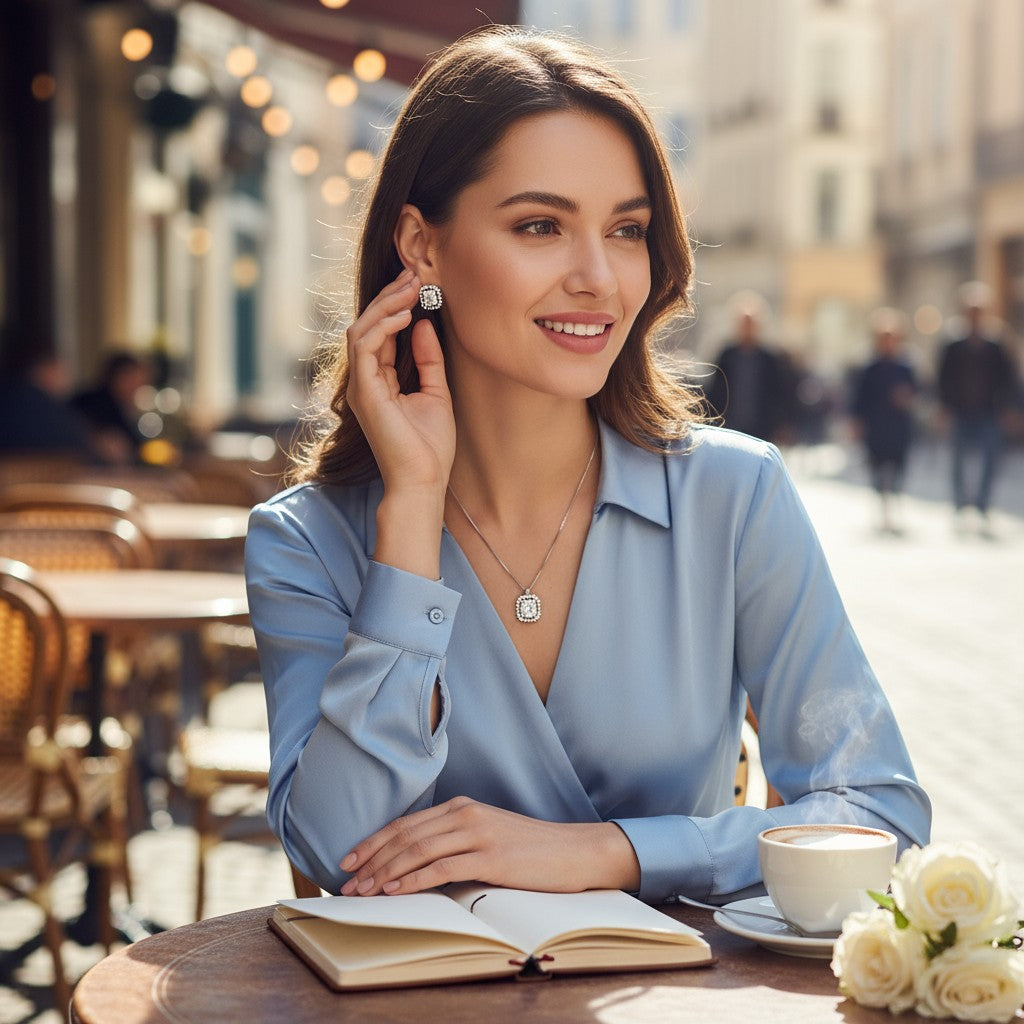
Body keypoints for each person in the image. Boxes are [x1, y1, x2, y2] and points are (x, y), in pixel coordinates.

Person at [245, 26, 930, 903]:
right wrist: (411, 512)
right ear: (421, 247)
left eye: (627, 229)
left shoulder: (735, 497)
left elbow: (880, 816)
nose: (599, 278)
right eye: (541, 225)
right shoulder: (305, 543)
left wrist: (613, 853)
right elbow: (332, 851)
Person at [936, 282, 1017, 531]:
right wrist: (943, 407)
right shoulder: (952, 342)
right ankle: (961, 505)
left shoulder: (996, 342)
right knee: (958, 460)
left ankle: (982, 504)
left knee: (991, 459)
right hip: (961, 410)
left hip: (988, 411)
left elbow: (1008, 377)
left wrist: (1010, 408)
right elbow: (943, 376)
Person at [851, 308, 918, 534]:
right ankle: (882, 505)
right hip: (876, 427)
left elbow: (918, 392)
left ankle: (895, 501)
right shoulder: (869, 367)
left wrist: (907, 398)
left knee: (898, 468)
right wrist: (857, 422)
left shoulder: (906, 366)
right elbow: (859, 397)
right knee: (877, 468)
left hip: (899, 427)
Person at [705, 291, 796, 444]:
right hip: (730, 426)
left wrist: (782, 425)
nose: (747, 328)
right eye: (743, 324)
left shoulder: (770, 359)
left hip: (762, 427)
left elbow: (781, 394)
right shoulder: (726, 355)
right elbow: (715, 390)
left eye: (751, 324)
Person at [0, 347, 96, 457]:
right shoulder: (43, 409)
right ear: (46, 370)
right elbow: (82, 451)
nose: (67, 378)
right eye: (62, 371)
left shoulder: (11, 397)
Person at [71, 349, 150, 464]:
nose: (135, 388)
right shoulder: (92, 402)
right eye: (133, 380)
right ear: (116, 377)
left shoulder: (118, 404)